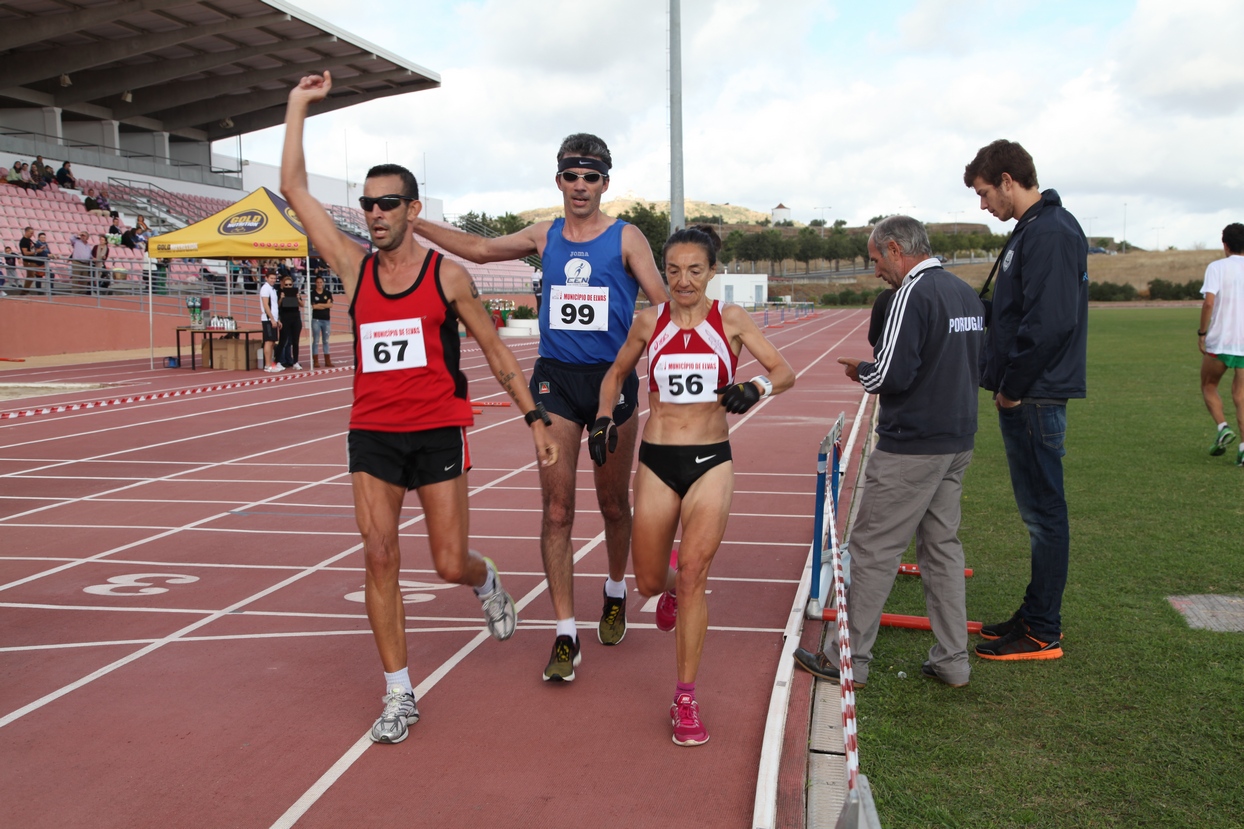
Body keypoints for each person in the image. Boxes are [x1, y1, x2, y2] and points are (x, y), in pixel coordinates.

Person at [282, 71, 559, 744]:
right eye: (367, 203)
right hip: (372, 433)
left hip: (438, 430)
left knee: (445, 560)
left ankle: (485, 578)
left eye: (387, 203)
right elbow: (294, 189)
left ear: (413, 208)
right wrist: (297, 106)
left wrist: (534, 419)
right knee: (378, 555)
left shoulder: (448, 276)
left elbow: (494, 352)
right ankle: (398, 693)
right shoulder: (353, 268)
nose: (373, 213)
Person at [410, 132, 668, 682]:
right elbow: (479, 250)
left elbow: (664, 304)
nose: (581, 186)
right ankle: (565, 634)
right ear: (559, 181)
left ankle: (616, 590)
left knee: (614, 505)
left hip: (611, 383)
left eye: (591, 177)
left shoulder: (627, 239)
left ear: (605, 183)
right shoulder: (544, 236)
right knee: (557, 510)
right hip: (554, 382)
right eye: (572, 176)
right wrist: (415, 223)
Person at [592, 225, 793, 744]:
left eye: (695, 270)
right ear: (664, 271)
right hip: (658, 460)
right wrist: (602, 417)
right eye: (674, 270)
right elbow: (615, 375)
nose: (683, 280)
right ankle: (670, 591)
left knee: (695, 575)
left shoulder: (731, 319)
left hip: (711, 461)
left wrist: (756, 386)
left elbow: (784, 370)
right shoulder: (647, 322)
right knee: (650, 583)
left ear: (712, 272)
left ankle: (685, 698)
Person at [791, 216, 985, 691]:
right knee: (942, 550)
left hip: (911, 446)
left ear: (896, 250)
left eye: (876, 258)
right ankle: (953, 660)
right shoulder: (964, 293)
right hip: (957, 440)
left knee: (872, 551)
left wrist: (863, 370)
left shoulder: (910, 295)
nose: (875, 269)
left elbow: (891, 376)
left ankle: (848, 659)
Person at [963, 139, 1088, 661]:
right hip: (1029, 394)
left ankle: (1042, 631)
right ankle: (1033, 614)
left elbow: (1051, 322)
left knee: (1044, 516)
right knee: (1037, 514)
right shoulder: (1034, 229)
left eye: (986, 192)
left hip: (1034, 396)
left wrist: (1012, 389)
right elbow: (1015, 311)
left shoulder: (1051, 232)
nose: (984, 204)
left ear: (1010, 180)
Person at [1198, 223, 1244, 465]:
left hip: (1220, 341)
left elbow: (1208, 303)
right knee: (1241, 395)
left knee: (1208, 385)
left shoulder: (1217, 267)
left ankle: (1223, 427)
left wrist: (1202, 333)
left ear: (1225, 245)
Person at [276, 273, 304, 369]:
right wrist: (281, 298)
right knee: (283, 341)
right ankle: (278, 361)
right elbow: (277, 306)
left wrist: (297, 298)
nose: (288, 286)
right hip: (285, 317)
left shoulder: (295, 292)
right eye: (286, 284)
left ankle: (295, 362)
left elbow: (302, 304)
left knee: (295, 341)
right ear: (283, 284)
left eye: (290, 284)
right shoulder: (279, 292)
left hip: (295, 317)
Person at [258, 270, 282, 372]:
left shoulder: (273, 289)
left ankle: (271, 363)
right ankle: (267, 365)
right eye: (271, 278)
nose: (273, 280)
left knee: (272, 342)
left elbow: (275, 306)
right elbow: (266, 305)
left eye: (274, 278)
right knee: (268, 341)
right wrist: (272, 319)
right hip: (268, 319)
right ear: (266, 278)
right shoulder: (265, 289)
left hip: (274, 319)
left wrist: (277, 319)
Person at [310, 274, 334, 368]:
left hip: (326, 320)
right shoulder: (313, 293)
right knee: (316, 340)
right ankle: (316, 361)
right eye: (318, 282)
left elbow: (330, 305)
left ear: (323, 283)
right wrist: (324, 305)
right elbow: (314, 306)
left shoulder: (328, 293)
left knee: (326, 340)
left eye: (321, 282)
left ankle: (327, 361)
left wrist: (319, 304)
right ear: (315, 283)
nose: (319, 284)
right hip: (316, 320)